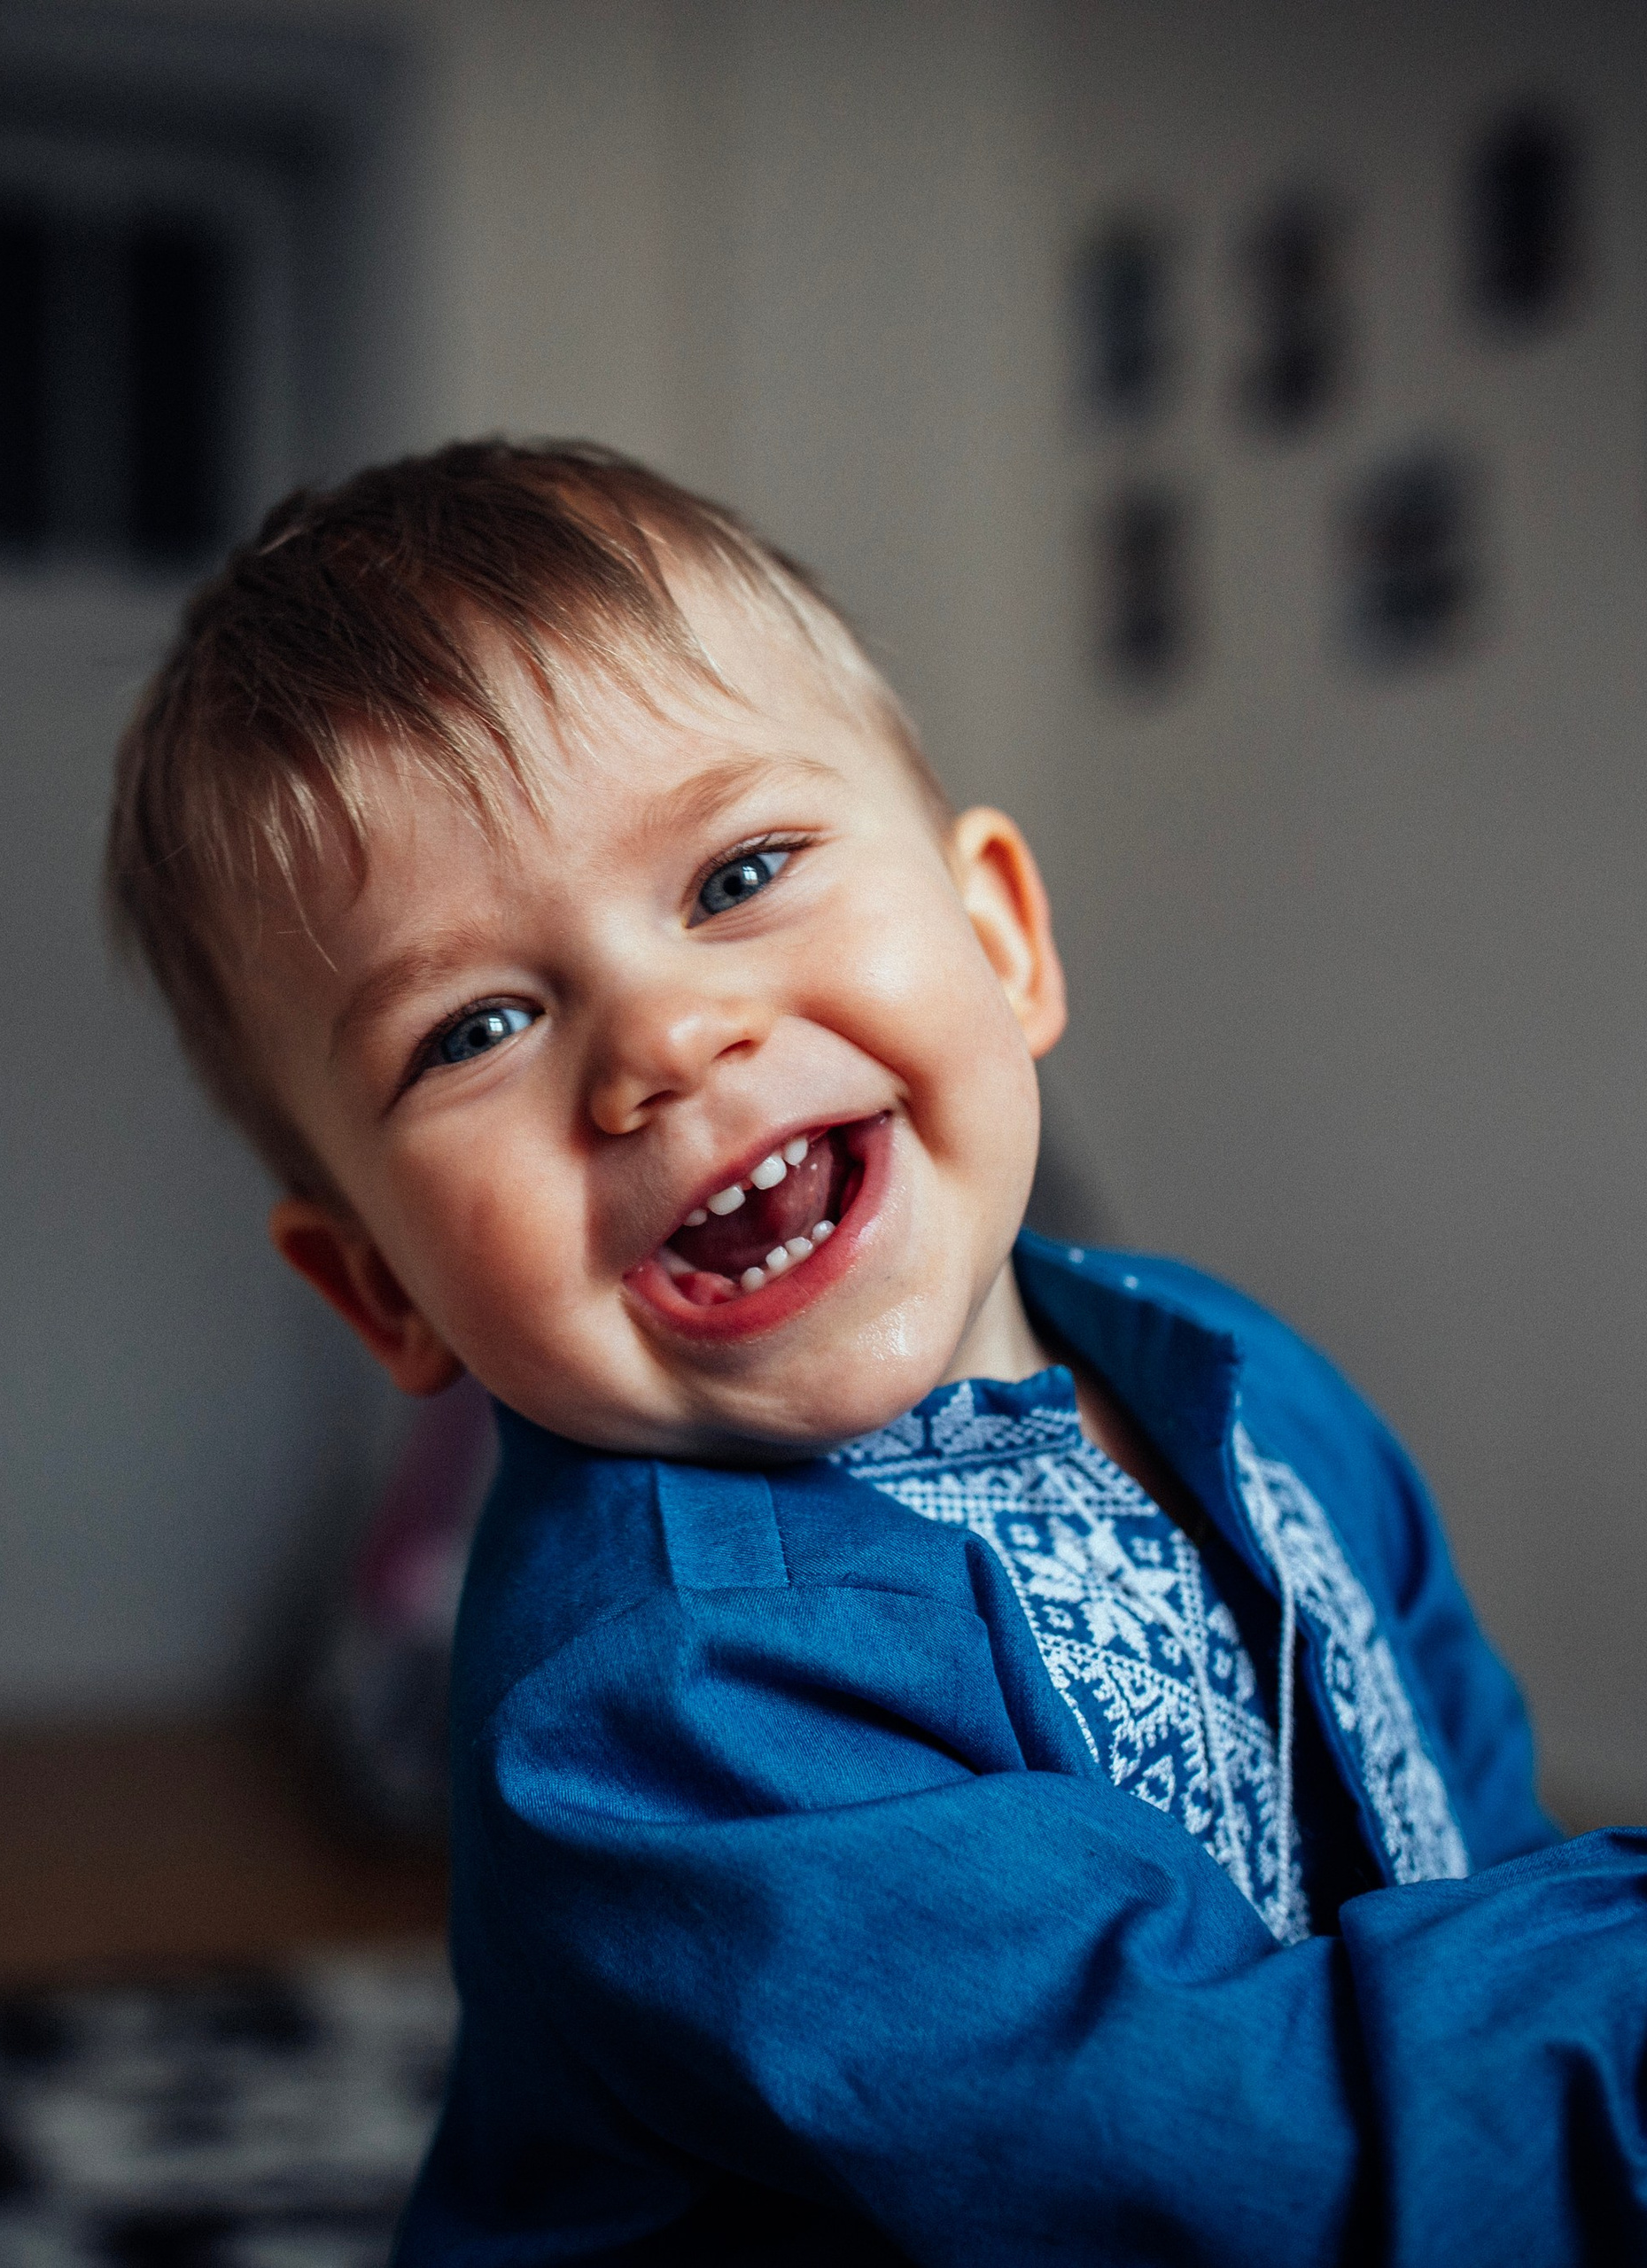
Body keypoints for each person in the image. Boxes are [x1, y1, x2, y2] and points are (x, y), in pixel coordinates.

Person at [102, 440, 1644, 2263]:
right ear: (384, 1292)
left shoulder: (1236, 1375)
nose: (664, 1038)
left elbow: (1469, 1828)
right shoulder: (658, 1694)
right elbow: (1219, 2140)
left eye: (737, 869)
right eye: (479, 1024)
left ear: (995, 934)